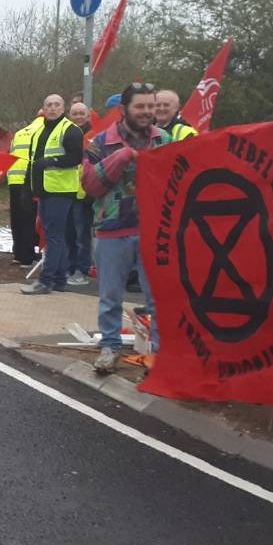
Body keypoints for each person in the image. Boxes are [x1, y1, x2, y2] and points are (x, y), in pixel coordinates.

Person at [81, 82, 169, 372]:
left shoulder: (164, 139)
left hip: (154, 231)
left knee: (158, 296)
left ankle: (160, 353)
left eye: (151, 106)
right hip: (112, 229)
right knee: (110, 296)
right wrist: (121, 156)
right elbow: (91, 186)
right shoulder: (100, 142)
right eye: (140, 106)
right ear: (124, 110)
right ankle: (109, 347)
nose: (147, 112)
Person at [20, 94, 81, 295]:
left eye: (56, 105)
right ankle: (59, 279)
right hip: (45, 190)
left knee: (53, 237)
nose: (52, 108)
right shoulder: (40, 131)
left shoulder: (70, 130)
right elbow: (33, 161)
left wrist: (53, 160)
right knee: (57, 236)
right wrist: (28, 189)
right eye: (49, 105)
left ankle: (45, 281)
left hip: (61, 190)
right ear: (43, 108)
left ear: (63, 108)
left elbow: (75, 158)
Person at [63, 100, 96, 283]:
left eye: (81, 113)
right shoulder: (66, 133)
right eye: (75, 113)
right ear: (70, 116)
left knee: (82, 235)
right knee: (69, 234)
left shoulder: (95, 137)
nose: (78, 117)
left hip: (85, 194)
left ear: (88, 115)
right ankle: (70, 266)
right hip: (66, 190)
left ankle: (81, 270)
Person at [6, 107, 44, 266]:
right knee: (29, 219)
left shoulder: (21, 132)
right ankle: (28, 256)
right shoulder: (44, 131)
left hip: (13, 177)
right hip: (28, 180)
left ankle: (18, 253)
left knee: (16, 218)